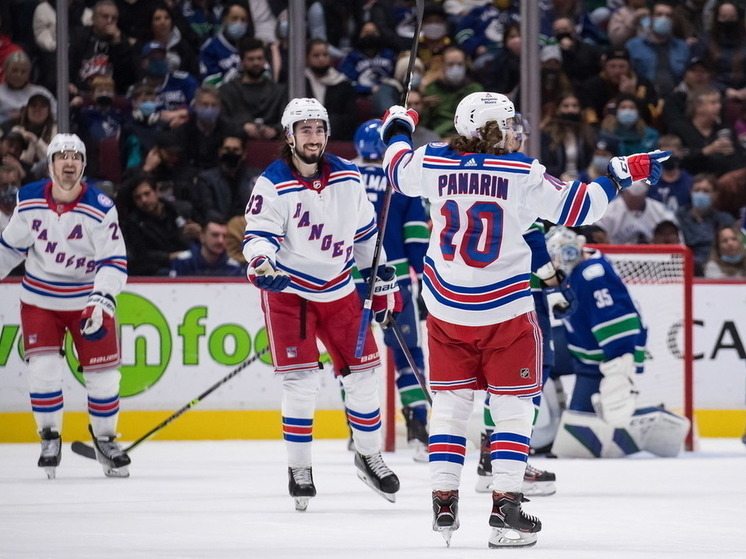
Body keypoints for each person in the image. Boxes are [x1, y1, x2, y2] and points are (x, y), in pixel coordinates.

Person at [378, 91, 668, 547]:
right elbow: (582, 207)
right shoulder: (521, 172)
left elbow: (395, 166)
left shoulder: (431, 160)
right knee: (513, 406)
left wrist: (398, 124)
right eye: (507, 123)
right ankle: (505, 506)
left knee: (451, 406)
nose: (513, 130)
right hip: (505, 310)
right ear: (489, 129)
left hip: (447, 309)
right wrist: (619, 173)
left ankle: (444, 499)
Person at [242, 98, 401, 512]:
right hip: (290, 294)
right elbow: (257, 236)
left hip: (340, 290)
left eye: (319, 129)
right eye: (305, 130)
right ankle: (300, 468)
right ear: (289, 136)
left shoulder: (348, 175)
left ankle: (369, 456)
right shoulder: (272, 182)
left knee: (364, 377)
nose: (313, 138)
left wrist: (382, 282)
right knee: (301, 383)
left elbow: (367, 236)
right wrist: (262, 263)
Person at [0, 133, 131, 478]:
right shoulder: (29, 199)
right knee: (42, 370)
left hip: (88, 301)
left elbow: (113, 261)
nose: (69, 162)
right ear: (51, 164)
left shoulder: (100, 207)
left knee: (104, 377)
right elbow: (10, 248)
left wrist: (101, 300)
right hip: (40, 300)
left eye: (76, 157)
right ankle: (49, 438)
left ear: (83, 166)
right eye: (62, 156)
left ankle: (105, 439)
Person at [544, 226, 690, 459]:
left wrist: (619, 371)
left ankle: (646, 421)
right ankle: (548, 431)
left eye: (555, 259)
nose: (553, 266)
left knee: (579, 438)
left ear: (568, 253)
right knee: (537, 354)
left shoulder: (594, 276)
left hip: (599, 360)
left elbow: (620, 324)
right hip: (579, 345)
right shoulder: (582, 265)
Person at [352, 119, 430, 462]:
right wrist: (425, 279)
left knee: (352, 357)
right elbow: (416, 238)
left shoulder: (343, 177)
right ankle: (418, 428)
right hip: (392, 280)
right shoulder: (402, 180)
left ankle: (356, 431)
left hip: (347, 280)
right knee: (408, 353)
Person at [118, 175, 197, 276]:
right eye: (138, 197)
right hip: (158, 270)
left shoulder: (179, 211)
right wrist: (169, 257)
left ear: (156, 192)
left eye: (147, 194)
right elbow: (140, 255)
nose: (144, 200)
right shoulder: (133, 223)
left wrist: (199, 234)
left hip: (189, 261)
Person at [219, 37, 286, 141]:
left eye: (259, 58)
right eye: (251, 59)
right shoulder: (227, 91)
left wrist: (275, 130)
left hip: (272, 145)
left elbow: (287, 120)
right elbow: (222, 121)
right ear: (242, 61)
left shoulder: (278, 92)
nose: (256, 63)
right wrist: (242, 127)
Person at [675, 173, 735, 276]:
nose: (700, 194)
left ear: (715, 194)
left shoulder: (724, 219)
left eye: (706, 191)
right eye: (697, 190)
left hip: (717, 268)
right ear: (691, 192)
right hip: (686, 267)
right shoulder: (679, 217)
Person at [170, 213, 243, 277]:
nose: (220, 241)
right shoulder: (183, 262)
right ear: (202, 236)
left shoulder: (233, 267)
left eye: (224, 236)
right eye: (215, 235)